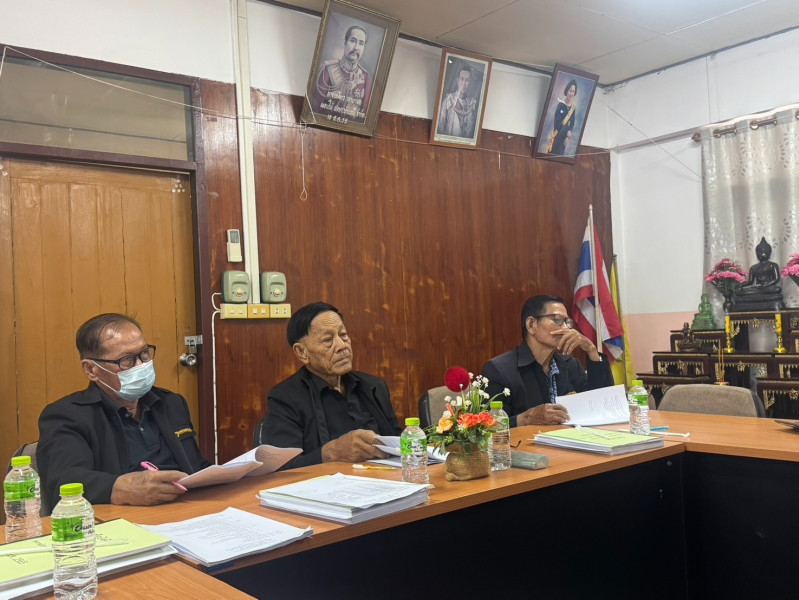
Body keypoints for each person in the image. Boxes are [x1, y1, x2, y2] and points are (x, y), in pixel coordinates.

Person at [37, 314, 211, 513]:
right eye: (126, 360)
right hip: (123, 519)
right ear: (91, 369)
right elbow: (64, 482)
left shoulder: (170, 403)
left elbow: (195, 467)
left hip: (190, 511)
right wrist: (119, 488)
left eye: (144, 353)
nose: (141, 365)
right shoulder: (67, 416)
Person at [261, 302, 401, 469]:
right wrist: (329, 454)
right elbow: (280, 468)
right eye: (328, 340)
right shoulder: (285, 398)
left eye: (343, 335)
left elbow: (397, 444)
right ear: (302, 352)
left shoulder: (374, 387)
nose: (342, 346)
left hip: (383, 479)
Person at [481, 295, 614, 427]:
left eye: (567, 322)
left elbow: (603, 405)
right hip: (527, 441)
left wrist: (591, 350)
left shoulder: (570, 365)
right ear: (531, 325)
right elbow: (485, 427)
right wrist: (524, 419)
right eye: (557, 320)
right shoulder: (499, 370)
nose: (567, 329)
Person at [311, 25, 371, 123]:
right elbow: (316, 108)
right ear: (345, 42)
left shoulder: (365, 77)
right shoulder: (328, 69)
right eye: (353, 41)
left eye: (361, 43)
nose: (356, 47)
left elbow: (364, 115)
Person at [436, 65, 478, 138]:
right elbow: (440, 128)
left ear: (470, 83)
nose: (464, 83)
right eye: (462, 79)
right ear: (458, 81)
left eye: (467, 80)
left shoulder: (472, 105)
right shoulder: (448, 101)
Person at [547, 79, 578, 156]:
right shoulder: (560, 105)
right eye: (570, 91)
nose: (571, 93)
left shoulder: (573, 109)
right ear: (566, 91)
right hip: (557, 137)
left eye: (573, 91)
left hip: (564, 140)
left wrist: (567, 137)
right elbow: (557, 124)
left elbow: (572, 124)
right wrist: (566, 132)